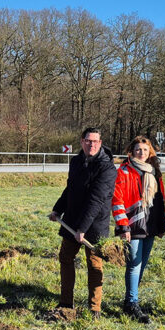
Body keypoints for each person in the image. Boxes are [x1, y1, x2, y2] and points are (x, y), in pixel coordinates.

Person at [48, 127, 116, 319]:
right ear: (82, 142)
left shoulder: (107, 168)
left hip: (95, 224)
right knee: (65, 258)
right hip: (72, 220)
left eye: (95, 141)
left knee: (94, 264)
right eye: (88, 141)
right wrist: (58, 209)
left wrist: (82, 229)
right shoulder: (76, 161)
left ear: (100, 143)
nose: (91, 144)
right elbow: (70, 188)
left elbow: (96, 200)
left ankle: (94, 308)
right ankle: (65, 302)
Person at [112, 136, 165, 323]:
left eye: (145, 149)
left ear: (150, 151)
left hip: (150, 225)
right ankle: (131, 303)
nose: (141, 153)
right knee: (134, 265)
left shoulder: (154, 171)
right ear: (131, 151)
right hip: (133, 225)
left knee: (142, 264)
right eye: (138, 149)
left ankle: (132, 298)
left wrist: (162, 225)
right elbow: (117, 200)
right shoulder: (124, 171)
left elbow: (160, 201)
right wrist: (123, 225)